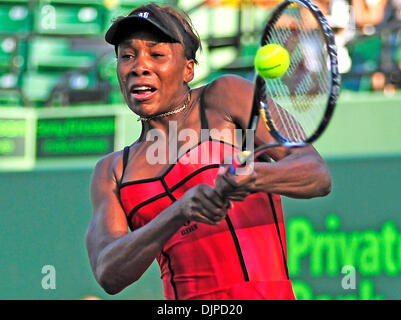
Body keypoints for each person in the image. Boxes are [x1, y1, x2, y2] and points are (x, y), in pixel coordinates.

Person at [85, 3, 331, 300]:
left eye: (157, 54)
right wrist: (177, 213)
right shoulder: (113, 172)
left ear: (188, 68)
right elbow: (108, 272)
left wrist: (253, 176)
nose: (139, 66)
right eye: (127, 56)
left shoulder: (226, 96)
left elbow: (316, 174)